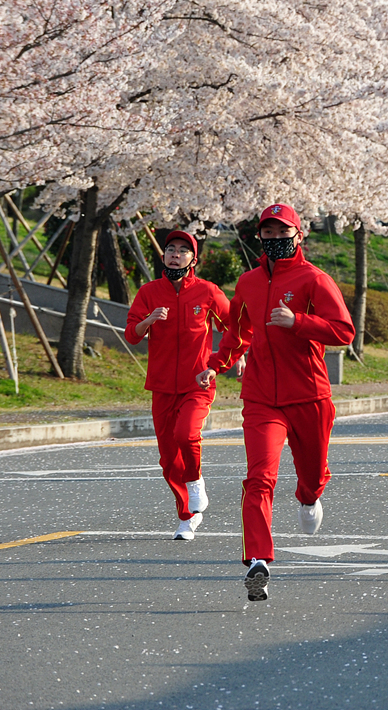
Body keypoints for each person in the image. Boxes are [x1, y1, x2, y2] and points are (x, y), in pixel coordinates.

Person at [202, 204, 356, 602]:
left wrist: (299, 322)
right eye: (267, 234)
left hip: (309, 395)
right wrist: (216, 366)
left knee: (312, 474)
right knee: (259, 477)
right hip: (261, 399)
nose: (273, 240)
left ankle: (309, 496)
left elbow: (344, 331)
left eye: (281, 232)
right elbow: (236, 334)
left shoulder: (315, 279)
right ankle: (258, 560)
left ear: (298, 236)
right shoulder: (249, 282)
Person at [125, 230, 233, 541]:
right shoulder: (149, 292)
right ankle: (187, 517)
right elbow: (131, 334)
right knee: (168, 459)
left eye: (183, 250)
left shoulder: (208, 291)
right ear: (163, 257)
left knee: (187, 434)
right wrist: (149, 320)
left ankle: (197, 484)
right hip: (161, 386)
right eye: (170, 249)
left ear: (193, 259)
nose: (175, 253)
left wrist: (220, 363)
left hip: (197, 382)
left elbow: (234, 328)